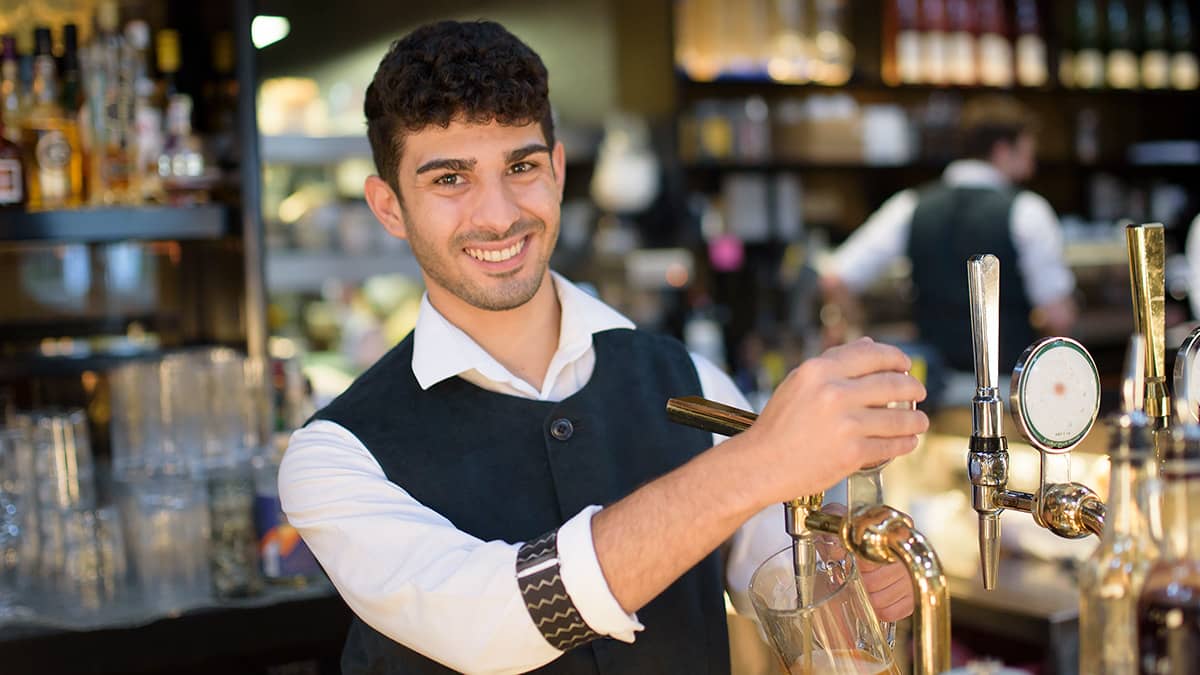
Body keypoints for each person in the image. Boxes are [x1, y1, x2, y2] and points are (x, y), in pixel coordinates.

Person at [279, 20, 927, 675]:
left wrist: (858, 586)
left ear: (558, 172)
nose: (499, 214)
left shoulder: (688, 379)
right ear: (389, 207)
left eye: (522, 165)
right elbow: (487, 619)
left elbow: (805, 609)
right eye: (450, 179)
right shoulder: (335, 456)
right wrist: (759, 461)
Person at [820, 96, 1077, 380]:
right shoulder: (1028, 210)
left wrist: (859, 334)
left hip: (931, 387)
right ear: (1003, 151)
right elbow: (1058, 317)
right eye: (1028, 154)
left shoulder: (911, 204)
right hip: (1006, 390)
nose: (1032, 168)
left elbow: (835, 277)